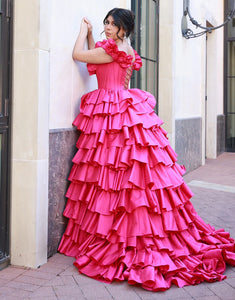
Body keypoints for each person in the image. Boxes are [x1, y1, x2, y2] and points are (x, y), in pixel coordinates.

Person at [58, 8, 235, 292]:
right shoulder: (123, 49)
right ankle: (119, 222)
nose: (107, 28)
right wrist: (94, 35)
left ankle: (122, 232)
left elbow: (79, 56)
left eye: (112, 25)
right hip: (119, 108)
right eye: (106, 23)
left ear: (124, 29)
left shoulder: (113, 50)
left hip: (112, 111)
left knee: (112, 170)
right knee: (115, 171)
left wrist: (82, 33)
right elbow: (98, 61)